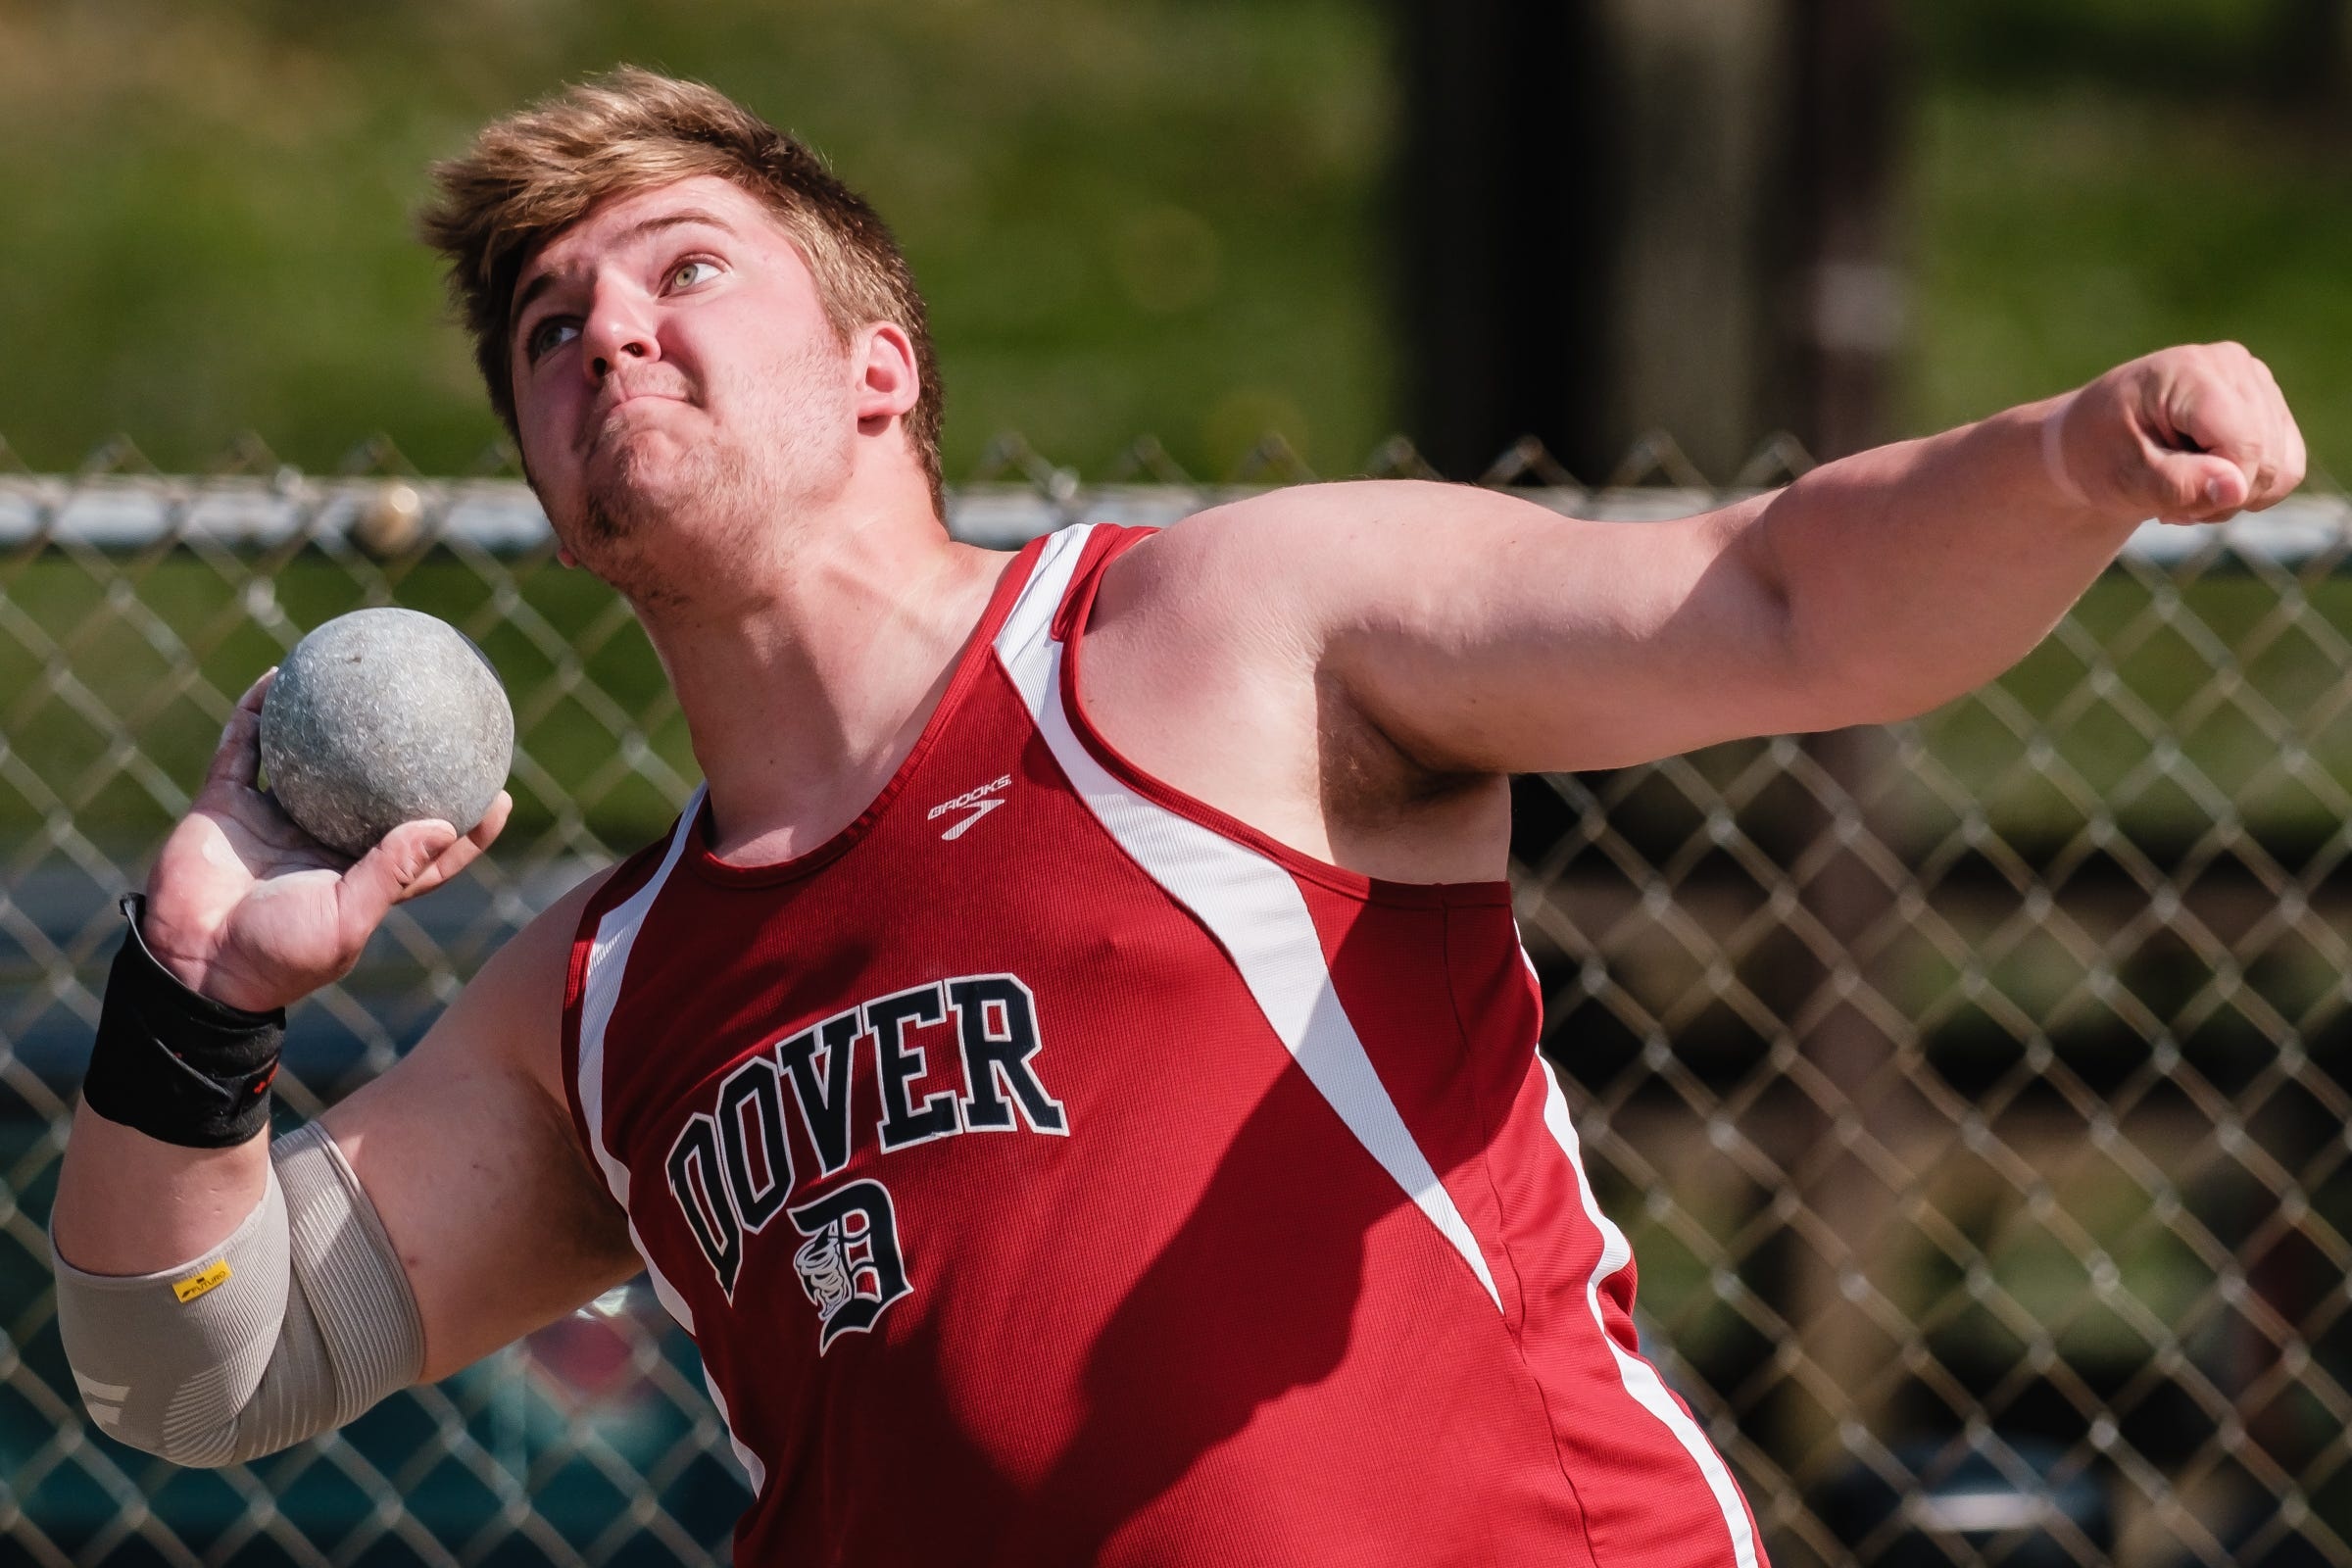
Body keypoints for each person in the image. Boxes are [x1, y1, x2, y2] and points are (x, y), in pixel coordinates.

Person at [47, 67, 2304, 1568]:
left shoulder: (1212, 636)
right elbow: (194, 1358)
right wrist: (196, 988)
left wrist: (2072, 459)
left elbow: (1790, 595)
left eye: (681, 269)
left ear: (879, 364)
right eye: (548, 327)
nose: (605, 333)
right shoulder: (606, 990)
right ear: (546, 499)